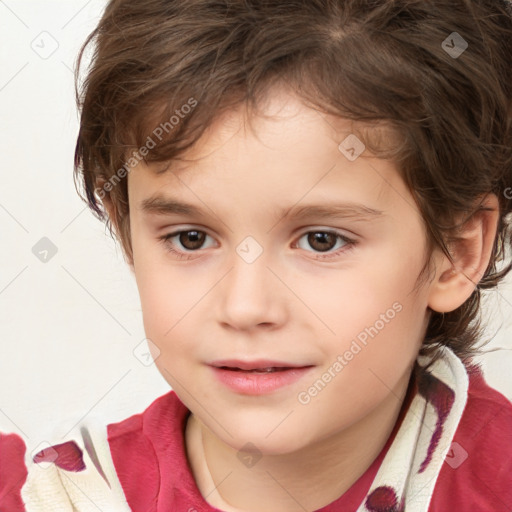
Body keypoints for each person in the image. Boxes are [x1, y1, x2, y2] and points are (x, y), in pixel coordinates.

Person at [3, 0, 512, 510]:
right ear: (128, 232)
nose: (245, 307)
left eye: (321, 241)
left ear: (456, 254)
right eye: (191, 238)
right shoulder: (41, 496)